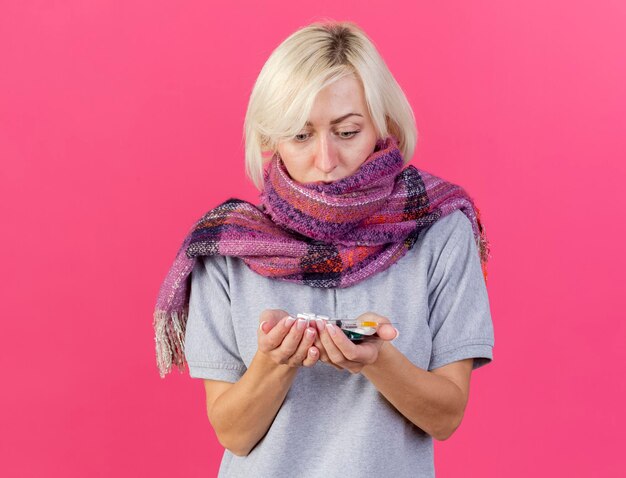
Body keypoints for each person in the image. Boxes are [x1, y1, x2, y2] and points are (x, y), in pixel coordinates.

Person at [153, 20, 494, 478]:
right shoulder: (226, 247)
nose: (326, 160)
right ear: (270, 140)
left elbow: (446, 416)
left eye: (347, 132)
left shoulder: (440, 227)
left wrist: (379, 361)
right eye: (300, 135)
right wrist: (275, 362)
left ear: (382, 124)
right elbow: (233, 434)